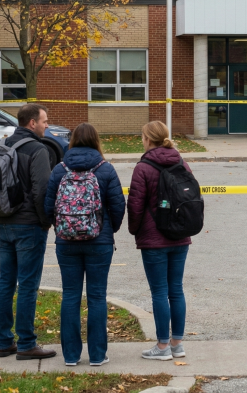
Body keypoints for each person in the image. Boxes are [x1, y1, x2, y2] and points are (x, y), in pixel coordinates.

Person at [44, 123, 125, 367]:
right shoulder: (106, 169)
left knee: (70, 295)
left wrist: (61, 229)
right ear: (96, 141)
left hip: (66, 241)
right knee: (97, 297)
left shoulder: (59, 170)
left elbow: (48, 207)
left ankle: (70, 356)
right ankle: (98, 356)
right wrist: (109, 230)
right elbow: (119, 206)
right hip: (99, 241)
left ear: (72, 142)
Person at [128, 121, 192, 361]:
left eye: (142, 137)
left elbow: (135, 205)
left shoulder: (143, 167)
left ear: (148, 139)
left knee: (159, 292)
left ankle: (162, 346)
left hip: (153, 239)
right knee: (176, 289)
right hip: (179, 235)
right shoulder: (181, 162)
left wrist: (136, 231)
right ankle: (178, 344)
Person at [0, 104, 57, 360]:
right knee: (27, 286)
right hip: (28, 227)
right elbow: (42, 191)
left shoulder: (3, 146)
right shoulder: (38, 150)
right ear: (32, 123)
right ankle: (26, 344)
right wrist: (46, 222)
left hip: (3, 223)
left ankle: (3, 341)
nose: (47, 125)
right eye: (44, 121)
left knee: (4, 284)